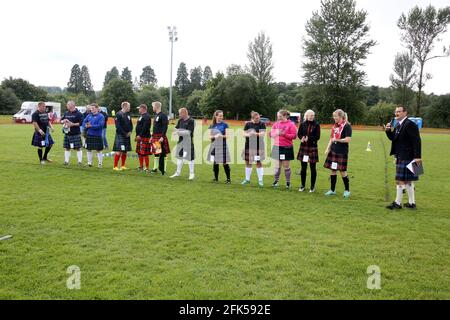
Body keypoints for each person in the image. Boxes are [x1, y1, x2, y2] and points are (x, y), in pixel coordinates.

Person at [385, 105, 422, 210]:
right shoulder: (399, 125)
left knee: (400, 180)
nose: (396, 113)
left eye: (399, 111)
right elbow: (394, 138)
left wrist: (418, 157)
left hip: (409, 157)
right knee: (409, 180)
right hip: (401, 156)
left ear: (405, 113)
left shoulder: (410, 124)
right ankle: (412, 203)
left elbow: (417, 141)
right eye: (396, 112)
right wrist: (388, 130)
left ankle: (397, 203)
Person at [323, 109, 352, 198]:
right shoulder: (334, 126)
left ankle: (347, 190)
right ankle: (332, 190)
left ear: (341, 116)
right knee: (333, 170)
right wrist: (328, 148)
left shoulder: (347, 126)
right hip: (333, 151)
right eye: (333, 116)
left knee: (342, 171)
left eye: (335, 116)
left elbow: (348, 139)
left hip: (342, 152)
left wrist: (338, 140)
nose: (334, 118)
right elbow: (331, 138)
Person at [269, 110, 298, 189]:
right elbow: (270, 134)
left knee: (286, 166)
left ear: (285, 116)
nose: (278, 118)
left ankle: (288, 183)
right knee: (277, 166)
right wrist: (275, 134)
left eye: (280, 116)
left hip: (287, 147)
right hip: (277, 146)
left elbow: (294, 136)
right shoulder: (276, 124)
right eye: (278, 116)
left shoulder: (291, 124)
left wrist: (284, 134)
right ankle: (276, 181)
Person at [297, 110, 321, 192]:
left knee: (313, 168)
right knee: (303, 168)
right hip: (304, 147)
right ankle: (302, 185)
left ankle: (312, 187)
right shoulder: (302, 124)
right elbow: (299, 134)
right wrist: (302, 138)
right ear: (306, 116)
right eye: (310, 115)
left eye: (313, 115)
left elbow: (318, 137)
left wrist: (309, 138)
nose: (312, 117)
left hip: (312, 148)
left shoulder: (316, 125)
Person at [241, 111, 266, 187]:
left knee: (258, 163)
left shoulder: (262, 124)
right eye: (256, 118)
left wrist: (255, 134)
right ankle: (247, 179)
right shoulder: (248, 124)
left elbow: (262, 134)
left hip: (258, 146)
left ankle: (260, 180)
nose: (257, 119)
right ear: (252, 118)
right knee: (248, 162)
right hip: (249, 145)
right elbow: (243, 133)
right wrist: (249, 134)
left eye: (258, 118)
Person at [170, 107, 196, 180]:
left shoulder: (191, 121)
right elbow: (176, 128)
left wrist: (178, 132)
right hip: (180, 141)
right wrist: (176, 130)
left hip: (188, 142)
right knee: (179, 157)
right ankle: (177, 173)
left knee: (190, 158)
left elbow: (189, 132)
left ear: (184, 113)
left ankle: (191, 174)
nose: (179, 115)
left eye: (180, 114)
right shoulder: (180, 120)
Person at [208, 110, 231, 184]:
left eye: (222, 115)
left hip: (222, 145)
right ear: (216, 116)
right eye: (220, 115)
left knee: (224, 163)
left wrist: (220, 135)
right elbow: (210, 136)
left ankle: (228, 179)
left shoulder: (225, 125)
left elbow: (227, 136)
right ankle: (216, 178)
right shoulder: (212, 125)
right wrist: (214, 136)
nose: (221, 117)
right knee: (215, 162)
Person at [150, 101, 170, 175]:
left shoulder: (163, 115)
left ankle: (163, 169)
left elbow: (165, 126)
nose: (152, 108)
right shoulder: (156, 115)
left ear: (156, 107)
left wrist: (162, 136)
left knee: (163, 153)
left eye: (153, 106)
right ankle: (155, 168)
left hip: (160, 137)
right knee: (156, 153)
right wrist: (152, 135)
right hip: (155, 136)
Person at [82, 103, 105, 168]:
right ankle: (89, 163)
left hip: (97, 135)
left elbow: (100, 126)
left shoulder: (101, 116)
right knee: (89, 149)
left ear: (97, 108)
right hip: (89, 135)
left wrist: (91, 126)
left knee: (99, 150)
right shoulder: (89, 115)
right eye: (91, 108)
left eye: (93, 108)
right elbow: (83, 122)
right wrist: (85, 125)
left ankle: (100, 164)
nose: (91, 110)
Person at [61, 101, 84, 166]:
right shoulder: (66, 113)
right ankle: (66, 161)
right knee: (67, 147)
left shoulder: (79, 114)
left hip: (75, 133)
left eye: (67, 104)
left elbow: (82, 123)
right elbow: (61, 120)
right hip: (67, 133)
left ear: (72, 105)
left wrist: (73, 124)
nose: (66, 105)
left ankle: (79, 162)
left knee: (78, 148)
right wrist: (63, 121)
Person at [113, 102, 133, 171]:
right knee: (119, 150)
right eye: (128, 106)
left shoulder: (128, 114)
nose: (129, 108)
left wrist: (130, 131)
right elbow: (117, 126)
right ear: (124, 106)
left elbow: (131, 124)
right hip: (120, 135)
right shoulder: (118, 114)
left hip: (127, 135)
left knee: (125, 151)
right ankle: (115, 166)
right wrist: (125, 133)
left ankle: (122, 166)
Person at [135, 104, 152, 172]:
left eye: (139, 108)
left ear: (143, 109)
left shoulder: (147, 116)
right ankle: (141, 166)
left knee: (144, 153)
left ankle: (147, 167)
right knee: (139, 152)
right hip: (139, 136)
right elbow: (139, 126)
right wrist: (137, 135)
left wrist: (140, 135)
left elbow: (146, 127)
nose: (139, 109)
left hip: (144, 137)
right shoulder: (141, 116)